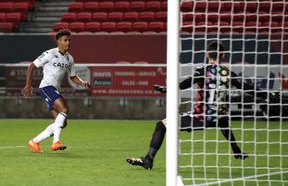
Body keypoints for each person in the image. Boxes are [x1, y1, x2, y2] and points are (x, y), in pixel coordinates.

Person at [126, 41, 271, 170]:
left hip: (200, 118)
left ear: (208, 54)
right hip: (216, 117)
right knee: (222, 117)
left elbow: (184, 84)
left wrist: (167, 89)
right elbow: (246, 87)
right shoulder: (228, 73)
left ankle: (148, 159)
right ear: (223, 56)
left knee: (162, 125)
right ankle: (236, 150)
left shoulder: (203, 70)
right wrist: (267, 95)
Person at [22, 29, 90, 153]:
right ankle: (56, 142)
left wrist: (82, 82)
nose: (68, 42)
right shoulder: (49, 54)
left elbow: (73, 77)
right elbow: (32, 66)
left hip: (55, 89)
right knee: (65, 109)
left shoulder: (70, 58)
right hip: (46, 88)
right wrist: (28, 85)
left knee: (62, 123)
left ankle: (35, 141)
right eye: (65, 40)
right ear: (58, 41)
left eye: (69, 40)